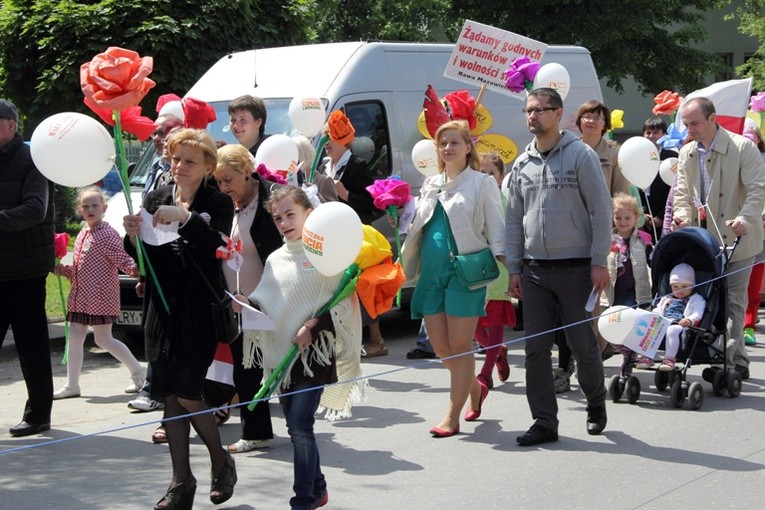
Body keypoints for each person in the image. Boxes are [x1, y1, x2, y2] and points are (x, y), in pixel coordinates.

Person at [123, 129, 236, 509]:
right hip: (161, 306)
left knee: (188, 391)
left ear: (207, 166)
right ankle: (180, 482)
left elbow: (218, 247)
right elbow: (145, 256)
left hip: (198, 307)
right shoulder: (155, 197)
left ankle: (220, 460)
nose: (180, 166)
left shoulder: (217, 201)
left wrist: (186, 218)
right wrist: (133, 236)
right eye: (175, 159)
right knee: (169, 394)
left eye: (189, 160)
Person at [232, 185, 362, 510]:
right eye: (278, 218)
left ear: (308, 213)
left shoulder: (324, 253)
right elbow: (266, 298)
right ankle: (318, 488)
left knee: (300, 426)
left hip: (313, 357)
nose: (284, 222)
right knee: (296, 428)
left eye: (291, 214)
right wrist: (245, 302)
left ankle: (303, 499)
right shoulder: (276, 257)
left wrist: (313, 327)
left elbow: (341, 304)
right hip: (282, 358)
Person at [506, 88, 611, 446]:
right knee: (535, 349)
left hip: (577, 268)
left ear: (558, 113)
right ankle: (544, 422)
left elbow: (601, 210)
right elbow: (513, 220)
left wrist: (599, 261)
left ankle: (596, 403)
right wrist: (514, 268)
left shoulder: (581, 155)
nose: (532, 116)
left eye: (540, 110)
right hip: (534, 271)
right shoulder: (521, 164)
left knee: (582, 343)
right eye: (528, 111)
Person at [400, 120, 505, 438]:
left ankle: (452, 416)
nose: (447, 148)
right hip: (431, 274)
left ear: (468, 146)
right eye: (443, 143)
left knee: (460, 345)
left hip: (467, 273)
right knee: (442, 347)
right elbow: (419, 226)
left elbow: (496, 228)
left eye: (454, 142)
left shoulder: (481, 183)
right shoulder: (430, 184)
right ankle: (474, 388)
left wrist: (503, 267)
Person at [672, 97, 765, 381]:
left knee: (734, 301)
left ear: (713, 119)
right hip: (705, 241)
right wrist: (681, 217)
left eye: (695, 123)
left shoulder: (743, 147)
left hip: (739, 239)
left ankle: (733, 361)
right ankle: (726, 356)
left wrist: (746, 219)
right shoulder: (687, 152)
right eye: (686, 124)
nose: (690, 129)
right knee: (710, 300)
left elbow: (758, 189)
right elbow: (682, 194)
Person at [213, 144, 281, 453]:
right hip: (236, 303)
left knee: (282, 365)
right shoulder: (222, 204)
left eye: (229, 180)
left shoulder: (273, 199)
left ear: (246, 171)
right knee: (246, 366)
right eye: (218, 181)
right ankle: (256, 431)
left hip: (273, 298)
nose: (223, 188)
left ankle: (299, 425)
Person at [52, 187, 145, 399]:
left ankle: (138, 371)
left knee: (104, 340)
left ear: (104, 208)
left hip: (101, 297)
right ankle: (72, 385)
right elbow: (80, 268)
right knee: (75, 338)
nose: (90, 209)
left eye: (95, 205)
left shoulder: (107, 233)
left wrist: (137, 271)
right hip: (80, 297)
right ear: (80, 210)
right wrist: (63, 270)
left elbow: (123, 258)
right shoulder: (83, 233)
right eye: (85, 206)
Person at [0, 98, 55, 437]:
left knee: (31, 347)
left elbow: (35, 209)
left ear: (10, 125)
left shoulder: (33, 160)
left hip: (25, 272)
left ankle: (38, 415)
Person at [319, 110, 386, 357]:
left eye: (329, 137)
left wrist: (345, 194)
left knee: (361, 285)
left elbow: (371, 202)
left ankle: (377, 340)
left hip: (354, 233)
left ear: (341, 140)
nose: (326, 143)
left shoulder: (357, 165)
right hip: (332, 233)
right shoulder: (326, 165)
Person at [600, 193, 652, 380]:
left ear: (636, 218)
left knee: (628, 325)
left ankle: (628, 360)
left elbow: (653, 261)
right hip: (612, 291)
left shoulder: (644, 239)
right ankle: (627, 353)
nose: (623, 222)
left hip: (635, 291)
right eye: (618, 217)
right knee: (611, 328)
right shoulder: (608, 238)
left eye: (627, 218)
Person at [473, 152, 514, 388]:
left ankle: (485, 373)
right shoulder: (471, 200)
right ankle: (497, 352)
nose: (486, 177)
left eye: (491, 173)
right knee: (473, 323)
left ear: (500, 177)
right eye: (481, 172)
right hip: (475, 267)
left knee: (495, 321)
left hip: (499, 267)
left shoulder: (504, 202)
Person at [637, 263, 706, 371]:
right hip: (664, 322)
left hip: (681, 324)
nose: (680, 290)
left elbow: (698, 312)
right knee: (650, 328)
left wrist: (689, 319)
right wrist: (654, 315)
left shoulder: (696, 299)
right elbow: (658, 309)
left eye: (684, 287)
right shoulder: (667, 298)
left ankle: (669, 359)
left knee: (672, 330)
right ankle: (647, 356)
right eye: (676, 287)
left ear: (692, 286)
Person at [742, 122, 765, 347]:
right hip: (736, 230)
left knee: (754, 282)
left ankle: (748, 325)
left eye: (752, 136)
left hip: (760, 230)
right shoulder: (733, 161)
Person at [640, 117, 675, 241]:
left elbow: (677, 190)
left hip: (666, 215)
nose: (651, 136)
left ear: (664, 134)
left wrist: (661, 216)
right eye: (648, 132)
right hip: (642, 217)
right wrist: (641, 215)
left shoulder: (672, 157)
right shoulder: (636, 156)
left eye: (655, 132)